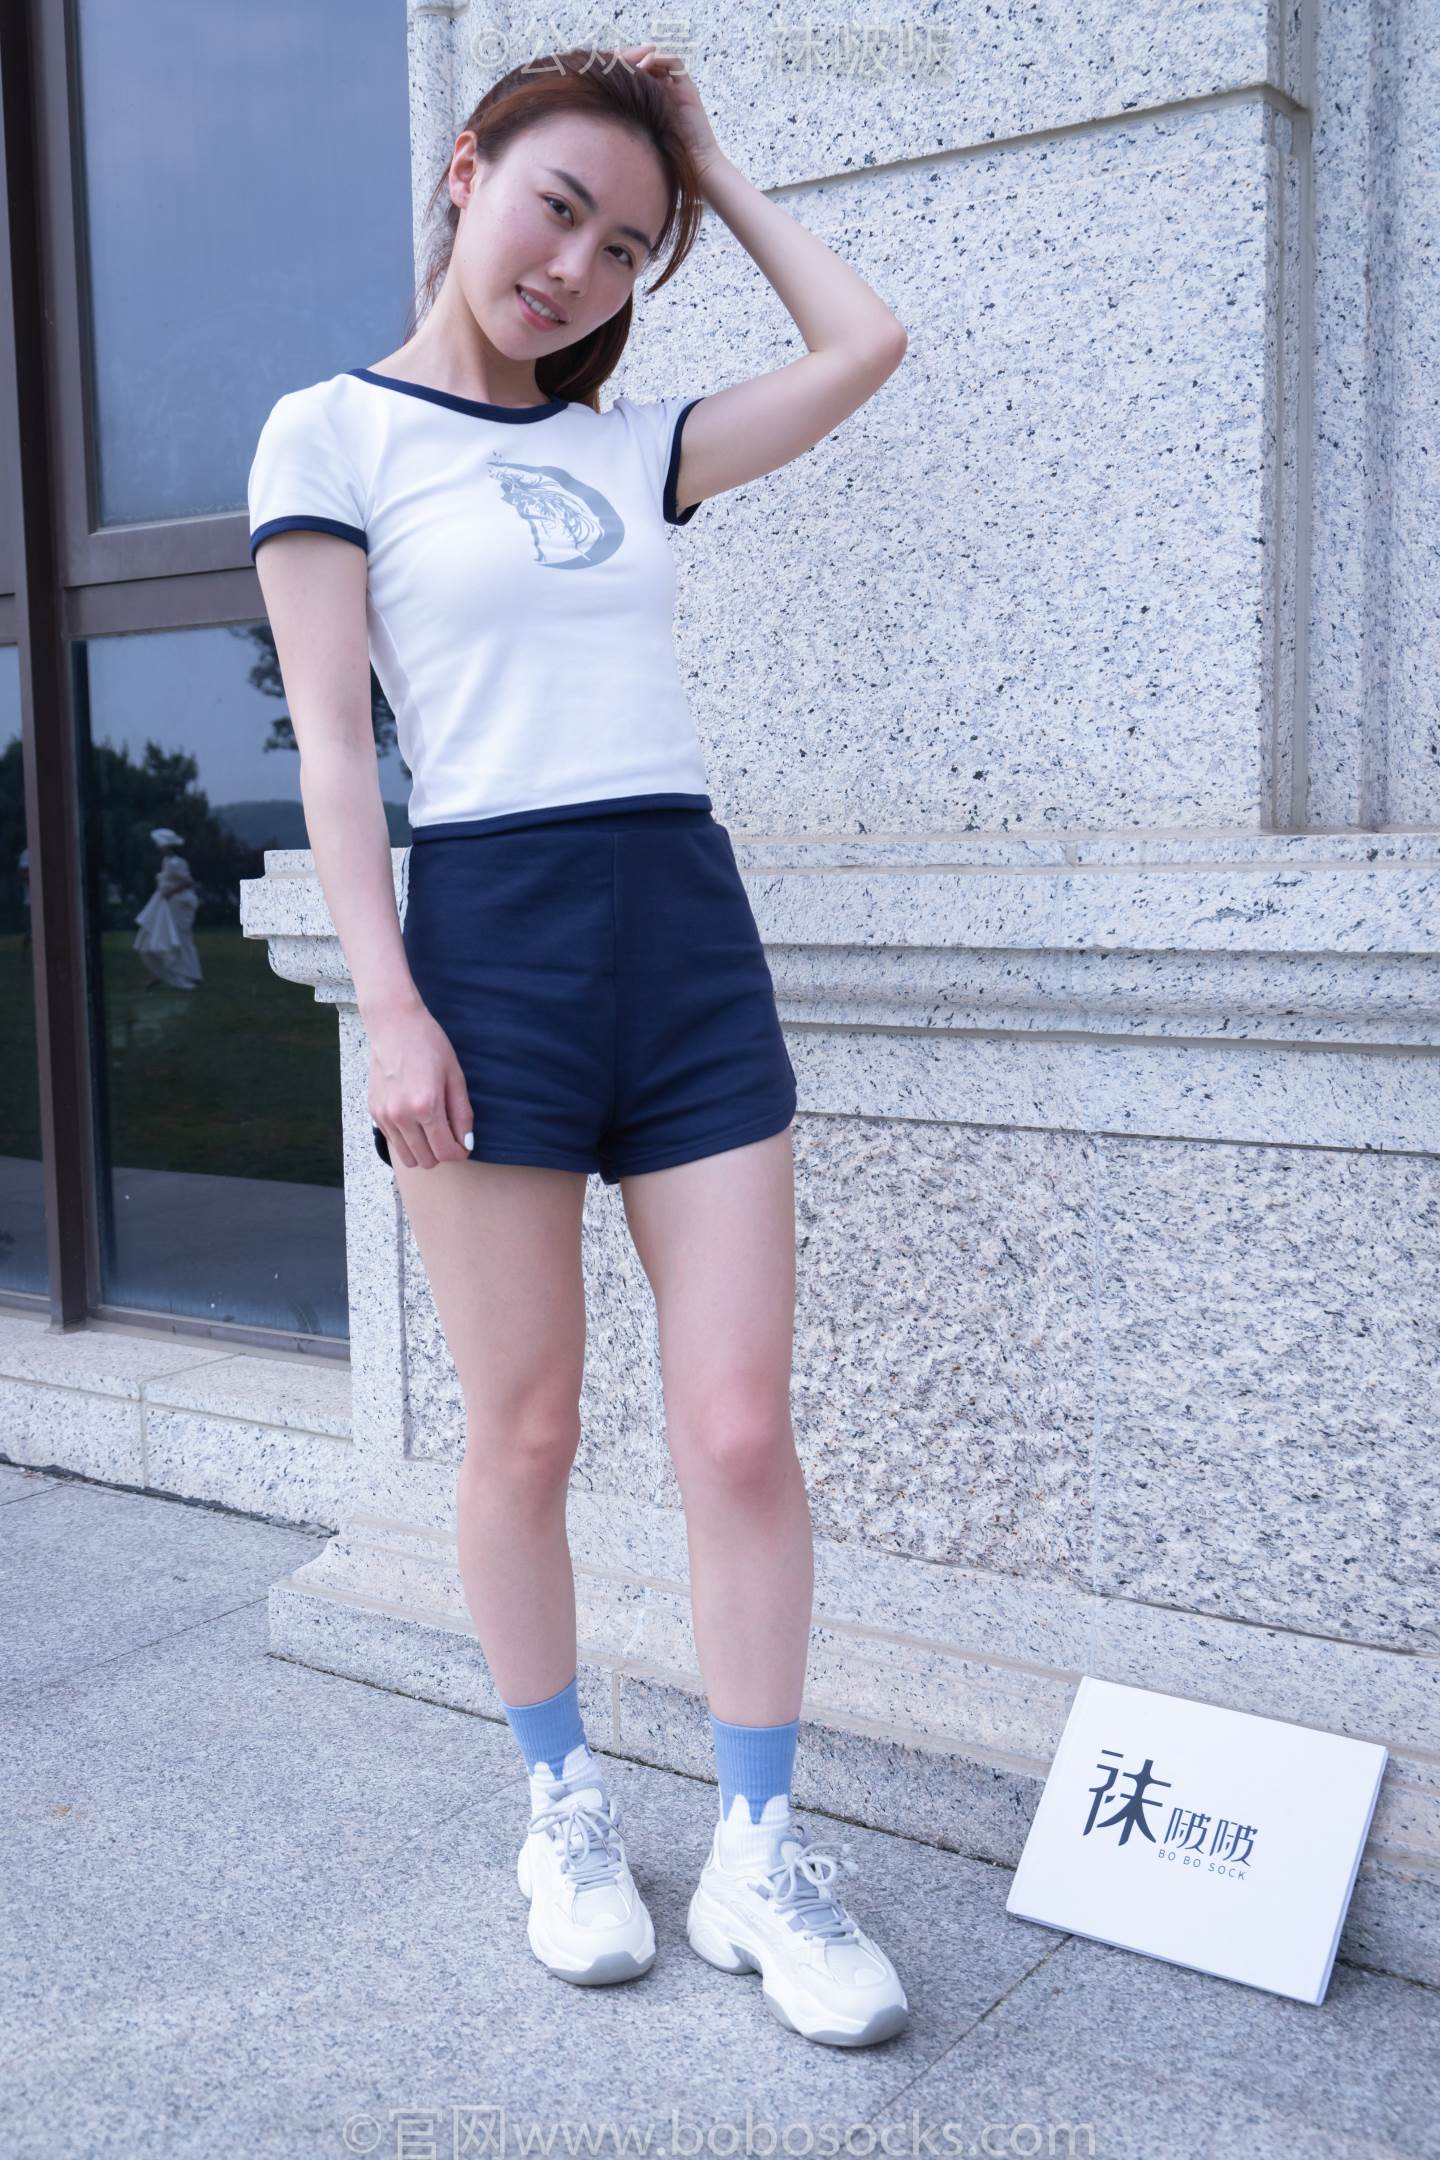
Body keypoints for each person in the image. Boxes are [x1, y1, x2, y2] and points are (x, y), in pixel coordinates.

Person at [248, 42, 909, 2047]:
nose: (580, 269)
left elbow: (865, 345)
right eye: (560, 208)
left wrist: (708, 162)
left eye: (628, 249)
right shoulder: (329, 434)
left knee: (738, 1432)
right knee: (525, 1431)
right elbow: (337, 749)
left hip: (685, 941)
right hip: (493, 950)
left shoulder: (635, 450)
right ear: (466, 170)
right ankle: (561, 1809)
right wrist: (392, 1010)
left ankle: (760, 1854)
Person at [133, 827, 202, 990]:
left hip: (177, 904)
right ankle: (161, 972)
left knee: (179, 938)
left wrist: (171, 891)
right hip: (167, 904)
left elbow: (188, 881)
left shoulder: (178, 862)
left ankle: (190, 974)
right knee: (162, 935)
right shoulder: (167, 861)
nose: (159, 847)